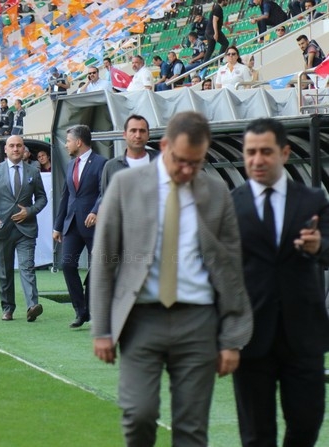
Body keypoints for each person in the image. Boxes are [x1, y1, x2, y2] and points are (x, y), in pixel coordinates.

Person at [90, 111, 253, 447]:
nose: (187, 170)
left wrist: (232, 337)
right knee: (139, 413)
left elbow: (231, 267)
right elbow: (104, 260)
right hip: (141, 319)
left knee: (192, 428)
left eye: (196, 162)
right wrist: (101, 329)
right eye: (180, 160)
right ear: (163, 145)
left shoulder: (216, 191)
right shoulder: (126, 185)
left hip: (199, 321)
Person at [231, 118, 329, 447]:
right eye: (251, 152)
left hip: (304, 334)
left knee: (307, 422)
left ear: (285, 153)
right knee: (257, 434)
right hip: (250, 335)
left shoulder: (314, 200)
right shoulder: (230, 205)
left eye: (266, 152)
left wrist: (320, 247)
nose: (257, 160)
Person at [0, 135, 47, 322]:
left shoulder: (33, 171)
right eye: (12, 146)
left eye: (19, 145)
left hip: (26, 228)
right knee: (5, 270)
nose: (16, 149)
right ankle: (7, 308)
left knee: (27, 267)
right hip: (3, 227)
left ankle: (32, 306)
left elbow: (42, 198)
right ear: (6, 150)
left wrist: (30, 210)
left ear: (24, 149)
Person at [52, 125, 107, 329]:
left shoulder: (101, 163)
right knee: (67, 265)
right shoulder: (70, 164)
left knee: (99, 267)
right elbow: (66, 196)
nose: (66, 145)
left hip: (94, 225)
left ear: (78, 142)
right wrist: (58, 226)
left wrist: (95, 210)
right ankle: (80, 310)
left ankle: (92, 303)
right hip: (72, 225)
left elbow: (104, 190)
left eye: (68, 141)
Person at [100, 115, 158, 196]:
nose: (138, 135)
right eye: (133, 131)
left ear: (148, 135)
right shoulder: (112, 167)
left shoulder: (162, 161)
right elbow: (105, 199)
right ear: (124, 135)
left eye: (142, 131)